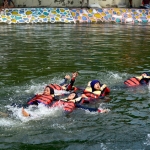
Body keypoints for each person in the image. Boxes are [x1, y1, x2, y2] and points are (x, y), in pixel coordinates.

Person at [22, 92, 109, 117]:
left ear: (75, 98)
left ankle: (30, 116)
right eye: (70, 94)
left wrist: (99, 110)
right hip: (53, 109)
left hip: (63, 112)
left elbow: (85, 108)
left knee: (47, 115)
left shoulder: (74, 103)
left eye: (73, 95)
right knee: (43, 109)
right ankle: (29, 114)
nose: (71, 95)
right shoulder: (62, 100)